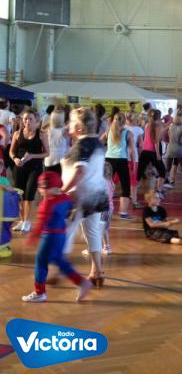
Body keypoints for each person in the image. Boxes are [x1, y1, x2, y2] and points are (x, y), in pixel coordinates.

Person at [22, 171, 93, 303]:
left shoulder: (47, 203)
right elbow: (71, 206)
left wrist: (32, 237)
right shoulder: (64, 198)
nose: (42, 190)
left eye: (43, 187)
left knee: (41, 263)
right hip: (61, 235)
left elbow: (41, 223)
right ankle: (81, 282)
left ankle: (40, 292)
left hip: (50, 237)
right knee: (59, 261)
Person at [61, 108, 110, 288]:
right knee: (93, 232)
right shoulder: (96, 143)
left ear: (80, 127)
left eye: (71, 122)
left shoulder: (82, 145)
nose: (68, 125)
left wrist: (63, 190)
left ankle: (60, 270)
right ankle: (97, 271)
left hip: (80, 196)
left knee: (65, 231)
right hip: (97, 195)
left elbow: (80, 171)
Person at [11, 111, 49, 232]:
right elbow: (11, 151)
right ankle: (22, 220)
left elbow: (47, 153)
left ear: (36, 121)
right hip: (19, 167)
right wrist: (15, 158)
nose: (27, 121)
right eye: (25, 119)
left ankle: (27, 221)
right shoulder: (17, 133)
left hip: (35, 168)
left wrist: (32, 156)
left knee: (29, 194)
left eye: (30, 119)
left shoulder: (41, 134)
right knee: (19, 195)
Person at [105, 112, 135, 220]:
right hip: (121, 160)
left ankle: (102, 211)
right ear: (125, 121)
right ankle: (123, 213)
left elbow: (99, 142)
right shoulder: (128, 133)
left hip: (108, 160)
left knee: (105, 185)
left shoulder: (108, 130)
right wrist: (133, 162)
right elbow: (131, 150)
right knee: (125, 186)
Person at [137, 109, 167, 197]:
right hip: (152, 152)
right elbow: (156, 141)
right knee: (162, 171)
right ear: (159, 117)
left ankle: (132, 191)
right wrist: (158, 154)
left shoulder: (147, 125)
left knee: (139, 172)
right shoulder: (158, 126)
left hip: (145, 152)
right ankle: (159, 190)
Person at [125, 112, 144, 207]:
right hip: (133, 156)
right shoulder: (138, 129)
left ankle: (129, 195)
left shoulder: (123, 128)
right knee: (133, 179)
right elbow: (141, 145)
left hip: (123, 155)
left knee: (119, 177)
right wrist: (140, 155)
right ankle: (134, 201)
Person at [44, 110, 69, 175]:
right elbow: (68, 144)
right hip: (61, 159)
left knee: (48, 179)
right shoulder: (65, 130)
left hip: (48, 159)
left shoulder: (47, 130)